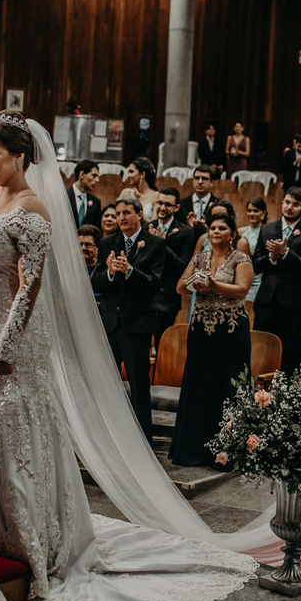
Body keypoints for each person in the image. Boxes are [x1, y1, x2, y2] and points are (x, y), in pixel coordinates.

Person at [0, 110, 255, 601]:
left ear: (21, 157)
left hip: (12, 344)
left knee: (10, 430)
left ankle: (30, 538)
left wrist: (6, 345)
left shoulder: (32, 209)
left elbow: (30, 287)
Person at [170, 212, 253, 468]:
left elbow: (242, 290)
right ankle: (193, 449)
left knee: (227, 389)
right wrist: (194, 282)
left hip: (230, 332)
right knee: (199, 386)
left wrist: (214, 285)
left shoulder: (242, 259)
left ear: (232, 234)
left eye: (221, 228)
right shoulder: (200, 258)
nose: (215, 232)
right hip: (201, 333)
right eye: (212, 228)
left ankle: (226, 452)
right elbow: (179, 286)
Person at [92, 194, 168, 440]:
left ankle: (142, 439)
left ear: (139, 214)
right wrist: (112, 273)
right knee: (107, 383)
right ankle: (109, 434)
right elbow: (97, 281)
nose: (121, 217)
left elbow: (154, 284)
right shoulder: (107, 243)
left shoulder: (155, 244)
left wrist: (130, 271)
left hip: (137, 324)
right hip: (110, 323)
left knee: (138, 386)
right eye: (117, 213)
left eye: (126, 213)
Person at [252, 187, 301, 374]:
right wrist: (271, 258)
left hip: (295, 304)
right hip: (267, 301)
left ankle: (287, 400)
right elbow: (255, 265)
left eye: (296, 204)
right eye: (287, 202)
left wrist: (285, 253)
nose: (289, 207)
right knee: (261, 351)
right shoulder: (267, 228)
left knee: (291, 356)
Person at [147, 188, 196, 328]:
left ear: (177, 207)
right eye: (160, 203)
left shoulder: (186, 232)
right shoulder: (146, 229)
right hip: (146, 297)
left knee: (162, 344)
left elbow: (183, 266)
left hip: (167, 298)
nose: (162, 208)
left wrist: (162, 245)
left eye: (167, 205)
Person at [238, 196, 267, 302]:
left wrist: (249, 251)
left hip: (258, 277)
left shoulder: (267, 232)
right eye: (249, 211)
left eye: (256, 211)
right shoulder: (241, 231)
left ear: (263, 213)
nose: (251, 214)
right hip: (241, 276)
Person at [120, 157, 159, 221]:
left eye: (131, 172)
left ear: (142, 174)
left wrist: (134, 205)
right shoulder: (125, 193)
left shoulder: (156, 196)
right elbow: (117, 215)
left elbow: (153, 225)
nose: (128, 176)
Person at [68, 159, 101, 227]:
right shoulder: (64, 196)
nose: (97, 180)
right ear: (82, 174)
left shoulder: (95, 202)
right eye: (94, 176)